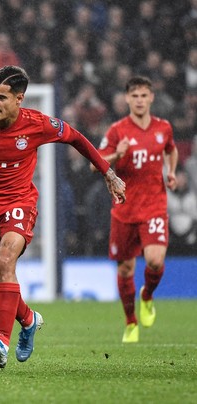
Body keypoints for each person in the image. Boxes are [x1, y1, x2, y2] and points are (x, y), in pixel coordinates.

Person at [0, 66, 126, 369]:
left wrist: (108, 172)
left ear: (19, 99)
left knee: (7, 261)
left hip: (19, 203)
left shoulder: (38, 124)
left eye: (1, 97)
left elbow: (77, 138)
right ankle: (29, 320)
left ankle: (1, 342)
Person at [93, 76, 178, 343]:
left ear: (151, 97)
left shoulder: (164, 127)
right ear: (127, 99)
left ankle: (147, 296)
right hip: (124, 208)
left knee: (154, 261)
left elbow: (171, 150)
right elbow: (95, 163)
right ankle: (130, 322)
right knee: (126, 270)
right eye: (135, 96)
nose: (140, 100)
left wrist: (172, 171)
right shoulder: (118, 130)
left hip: (154, 206)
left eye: (144, 95)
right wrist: (117, 155)